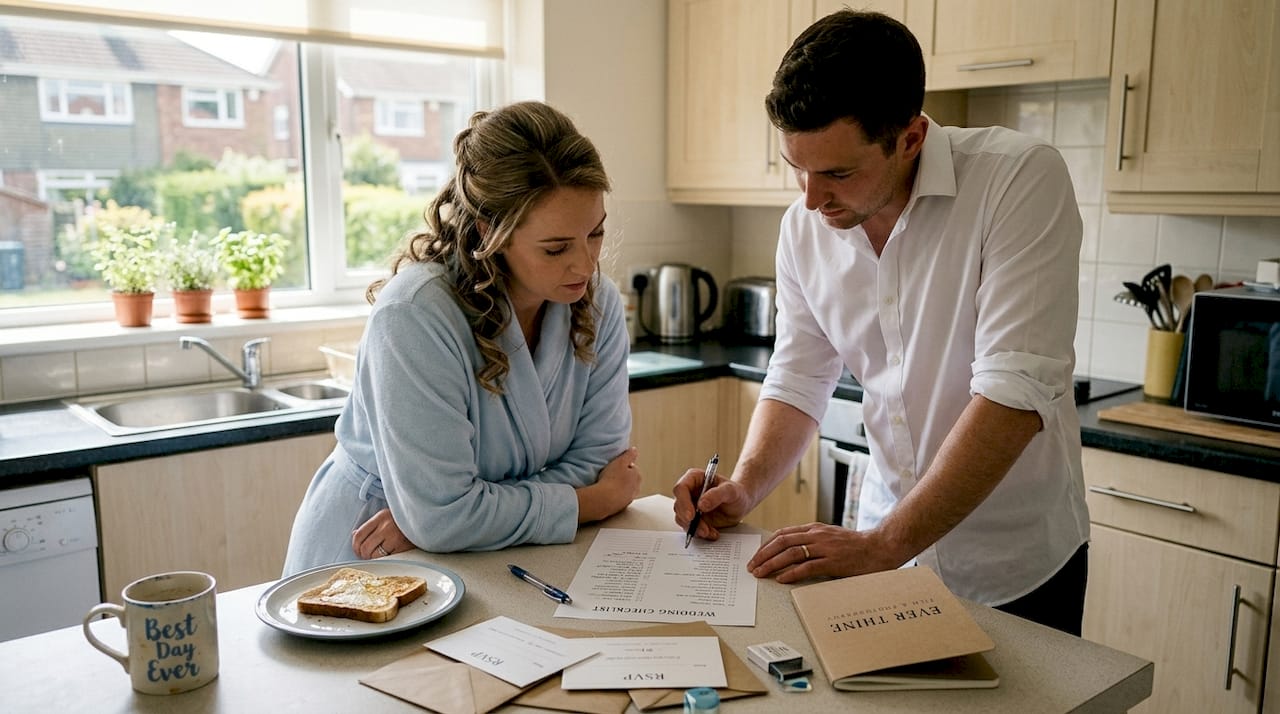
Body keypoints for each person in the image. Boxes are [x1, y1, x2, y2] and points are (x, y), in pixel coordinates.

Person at [672, 10, 1090, 636]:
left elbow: (1014, 393)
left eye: (837, 173)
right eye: (797, 169)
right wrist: (745, 486)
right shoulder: (803, 227)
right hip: (883, 551)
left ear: (911, 137)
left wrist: (883, 545)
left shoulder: (1018, 179)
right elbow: (797, 376)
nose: (811, 199)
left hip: (1014, 566)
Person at [284, 101, 640, 576]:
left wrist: (462, 515)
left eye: (595, 234)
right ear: (489, 232)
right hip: (370, 553)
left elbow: (598, 461)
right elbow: (445, 516)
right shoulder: (415, 317)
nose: (586, 264)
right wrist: (589, 503)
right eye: (556, 248)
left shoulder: (599, 305)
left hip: (497, 557)